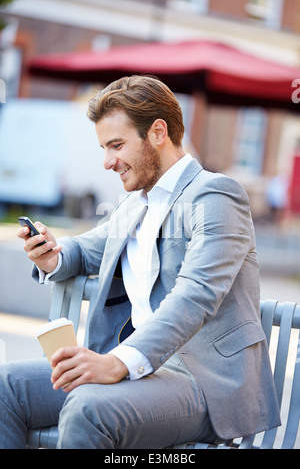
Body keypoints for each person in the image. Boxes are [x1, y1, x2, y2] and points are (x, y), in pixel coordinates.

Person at [0, 75, 280, 449]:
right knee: (6, 388)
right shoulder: (136, 204)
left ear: (158, 132)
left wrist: (118, 362)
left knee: (88, 408)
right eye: (103, 147)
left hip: (203, 381)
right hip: (140, 375)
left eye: (116, 145)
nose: (106, 162)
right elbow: (86, 250)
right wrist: (53, 254)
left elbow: (196, 294)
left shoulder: (216, 195)